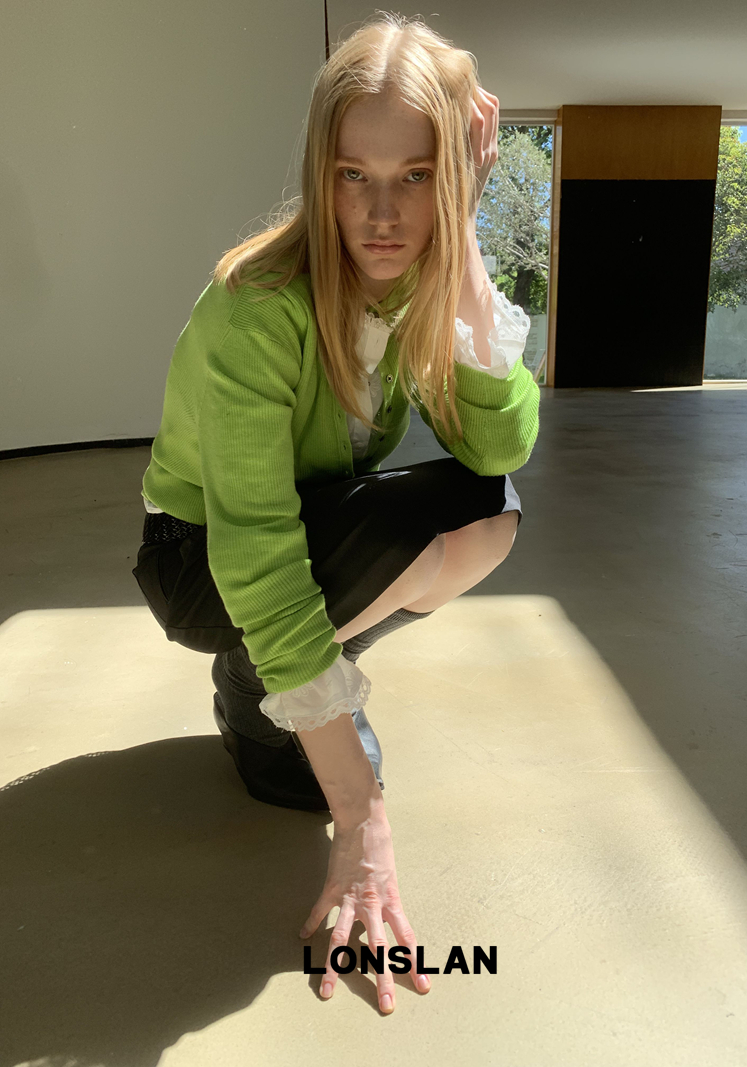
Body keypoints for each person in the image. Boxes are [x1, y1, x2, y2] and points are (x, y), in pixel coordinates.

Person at [135, 13, 540, 1015]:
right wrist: (364, 818)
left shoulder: (412, 284)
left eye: (417, 175)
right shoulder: (256, 305)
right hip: (197, 558)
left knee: (484, 510)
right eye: (353, 174)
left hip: (300, 522)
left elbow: (497, 447)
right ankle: (253, 676)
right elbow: (257, 551)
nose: (381, 214)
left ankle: (292, 672)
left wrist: (465, 231)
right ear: (321, 171)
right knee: (311, 772)